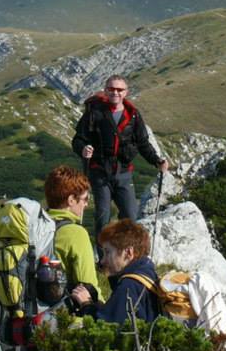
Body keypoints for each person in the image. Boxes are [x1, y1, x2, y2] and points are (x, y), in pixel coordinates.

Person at [71, 75, 169, 238]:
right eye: (111, 89)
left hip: (123, 172)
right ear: (106, 90)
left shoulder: (133, 115)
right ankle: (104, 260)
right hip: (100, 172)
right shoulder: (94, 113)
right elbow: (78, 139)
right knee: (103, 216)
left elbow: (142, 143)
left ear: (126, 92)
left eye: (119, 89)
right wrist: (82, 149)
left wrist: (156, 161)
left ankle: (124, 255)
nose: (115, 92)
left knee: (130, 216)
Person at [70, 219, 160, 325]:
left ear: (128, 252)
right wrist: (97, 304)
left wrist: (86, 304)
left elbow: (106, 329)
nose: (103, 260)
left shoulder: (129, 286)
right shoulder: (147, 272)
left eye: (108, 252)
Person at [43, 165, 101, 303]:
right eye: (85, 199)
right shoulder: (76, 233)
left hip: (31, 313)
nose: (86, 204)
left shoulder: (35, 227)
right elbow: (88, 285)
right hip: (65, 318)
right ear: (71, 200)